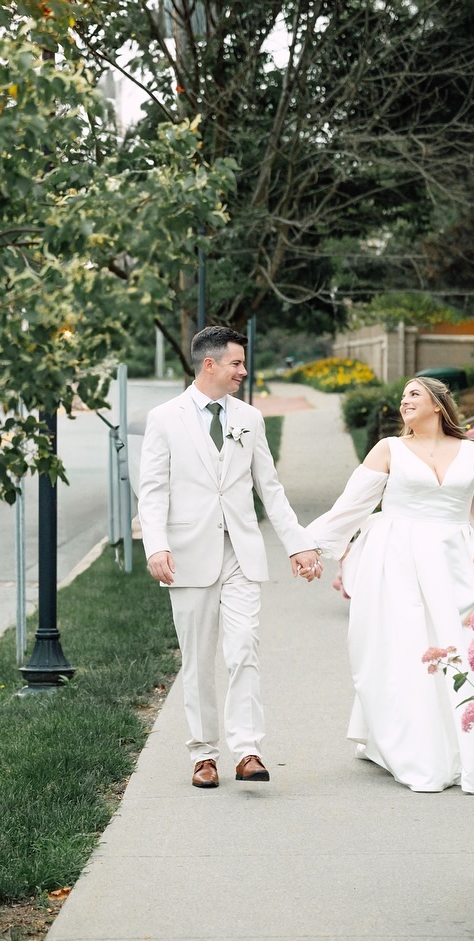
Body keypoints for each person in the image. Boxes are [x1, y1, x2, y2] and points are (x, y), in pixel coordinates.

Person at [305, 376, 474, 794]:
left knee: (459, 650)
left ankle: (467, 750)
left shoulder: (471, 451)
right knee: (404, 652)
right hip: (397, 564)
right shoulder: (388, 449)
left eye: (413, 394)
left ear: (438, 404)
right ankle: (412, 750)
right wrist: (311, 546)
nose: (404, 401)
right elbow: (350, 506)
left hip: (455, 566)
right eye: (403, 394)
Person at [139, 326, 322, 789]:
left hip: (241, 552)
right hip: (187, 553)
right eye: (237, 363)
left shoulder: (249, 419)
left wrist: (298, 543)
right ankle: (203, 754)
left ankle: (248, 750)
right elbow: (153, 491)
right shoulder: (165, 419)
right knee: (198, 658)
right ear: (210, 365)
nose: (244, 371)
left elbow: (271, 489)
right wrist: (156, 544)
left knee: (244, 648)